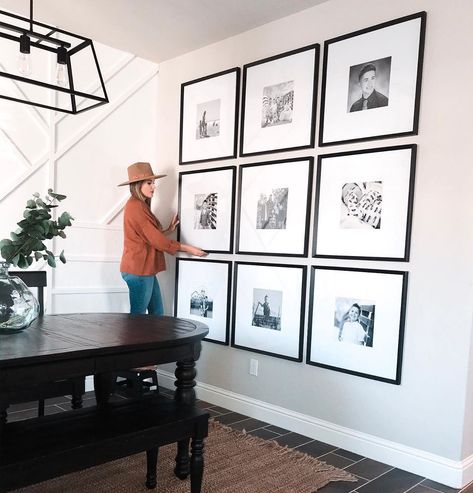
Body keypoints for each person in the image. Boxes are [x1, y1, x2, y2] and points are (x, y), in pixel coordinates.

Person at [119, 162, 207, 315]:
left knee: (157, 314)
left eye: (154, 182)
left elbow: (147, 236)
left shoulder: (139, 205)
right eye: (149, 183)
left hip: (143, 269)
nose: (154, 186)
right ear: (137, 185)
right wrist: (188, 248)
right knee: (137, 320)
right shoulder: (136, 206)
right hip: (139, 271)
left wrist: (168, 230)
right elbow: (157, 241)